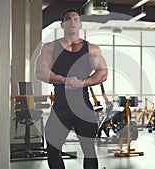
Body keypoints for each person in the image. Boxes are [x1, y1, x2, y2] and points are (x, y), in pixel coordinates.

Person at [35, 8, 108, 169]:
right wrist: (63, 80)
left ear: (80, 24)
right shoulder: (50, 47)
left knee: (89, 150)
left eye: (76, 19)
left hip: (83, 103)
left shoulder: (91, 49)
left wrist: (83, 83)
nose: (72, 22)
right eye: (68, 19)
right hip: (61, 105)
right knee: (53, 149)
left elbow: (103, 72)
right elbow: (40, 72)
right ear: (63, 25)